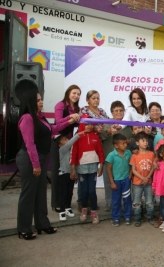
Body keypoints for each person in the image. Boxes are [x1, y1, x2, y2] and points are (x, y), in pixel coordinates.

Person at [17, 83, 79, 240]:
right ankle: (24, 228)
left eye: (41, 99)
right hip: (31, 160)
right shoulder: (27, 118)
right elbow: (30, 144)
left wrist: (70, 121)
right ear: (31, 102)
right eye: (38, 100)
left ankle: (42, 224)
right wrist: (36, 164)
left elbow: (54, 129)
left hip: (41, 159)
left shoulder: (40, 118)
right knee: (29, 194)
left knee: (40, 194)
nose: (41, 102)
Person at [51, 85, 81, 212]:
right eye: (74, 93)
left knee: (67, 173)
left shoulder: (77, 108)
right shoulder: (60, 105)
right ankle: (56, 203)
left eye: (78, 94)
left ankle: (65, 202)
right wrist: (71, 118)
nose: (76, 95)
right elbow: (58, 123)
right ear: (68, 93)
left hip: (68, 142)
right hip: (58, 141)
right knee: (57, 173)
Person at [70, 116, 105, 224]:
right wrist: (73, 169)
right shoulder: (78, 137)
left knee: (92, 191)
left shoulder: (95, 136)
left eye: (90, 124)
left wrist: (101, 167)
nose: (89, 126)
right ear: (82, 124)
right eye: (86, 124)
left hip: (93, 168)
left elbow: (100, 153)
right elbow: (74, 153)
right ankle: (84, 209)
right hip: (81, 168)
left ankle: (94, 211)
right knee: (84, 191)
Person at [100, 101, 133, 211]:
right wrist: (108, 131)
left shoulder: (128, 126)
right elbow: (101, 137)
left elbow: (134, 139)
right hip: (109, 161)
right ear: (112, 112)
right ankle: (109, 204)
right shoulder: (107, 124)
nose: (118, 113)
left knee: (125, 183)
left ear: (124, 112)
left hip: (124, 161)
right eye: (116, 111)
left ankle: (125, 204)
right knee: (109, 182)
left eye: (121, 110)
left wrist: (129, 141)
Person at [56, 131, 85, 221]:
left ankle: (68, 208)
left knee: (70, 192)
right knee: (63, 193)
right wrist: (78, 135)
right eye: (64, 140)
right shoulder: (62, 150)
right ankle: (62, 211)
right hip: (64, 174)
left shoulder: (73, 150)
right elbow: (70, 143)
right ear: (60, 145)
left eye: (66, 138)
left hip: (71, 174)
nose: (67, 140)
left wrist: (75, 173)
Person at [106, 133, 133, 227]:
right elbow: (108, 169)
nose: (125, 145)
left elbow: (131, 165)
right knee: (116, 200)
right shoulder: (111, 155)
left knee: (127, 199)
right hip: (116, 181)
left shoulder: (128, 153)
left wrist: (130, 175)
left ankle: (127, 216)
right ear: (116, 145)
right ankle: (116, 218)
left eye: (126, 143)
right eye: (123, 143)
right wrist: (112, 182)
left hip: (126, 180)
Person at [130, 132, 156, 227]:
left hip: (148, 182)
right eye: (143, 141)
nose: (145, 143)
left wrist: (148, 177)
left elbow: (153, 167)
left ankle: (150, 217)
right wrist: (143, 178)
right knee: (137, 202)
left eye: (147, 141)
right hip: (137, 183)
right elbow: (133, 170)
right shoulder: (134, 156)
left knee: (150, 202)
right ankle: (137, 218)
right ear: (137, 143)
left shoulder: (152, 154)